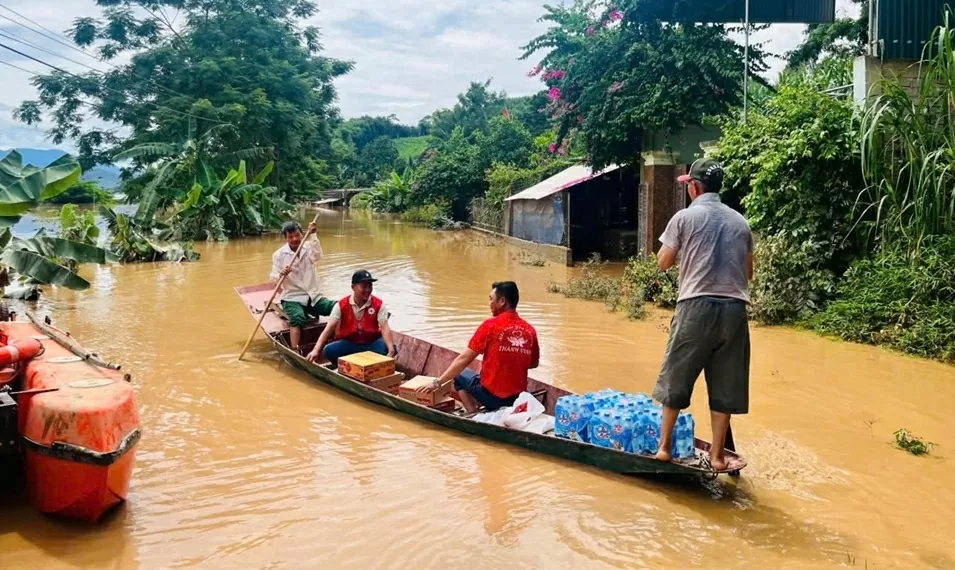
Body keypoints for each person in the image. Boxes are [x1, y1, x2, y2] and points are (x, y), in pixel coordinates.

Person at [652, 158, 754, 471]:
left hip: (696, 306)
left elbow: (664, 262)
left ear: (695, 187)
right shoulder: (741, 222)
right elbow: (749, 272)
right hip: (735, 311)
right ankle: (718, 456)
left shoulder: (685, 217)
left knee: (676, 378)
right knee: (725, 387)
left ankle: (665, 450)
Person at [416, 281, 539, 413]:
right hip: (518, 398)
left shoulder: (490, 326)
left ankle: (472, 413)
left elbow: (464, 359)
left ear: (502, 301)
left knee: (459, 376)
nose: (489, 304)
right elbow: (533, 364)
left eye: (491, 299)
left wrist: (437, 383)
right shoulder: (530, 331)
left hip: (492, 397)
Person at [305, 270, 397, 367]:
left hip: (371, 343)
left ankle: (367, 367)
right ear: (353, 287)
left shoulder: (378, 304)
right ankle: (345, 368)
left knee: (386, 349)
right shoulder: (341, 305)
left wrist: (391, 351)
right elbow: (329, 329)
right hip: (351, 343)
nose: (368, 290)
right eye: (363, 286)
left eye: (370, 286)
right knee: (328, 351)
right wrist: (315, 350)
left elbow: (384, 327)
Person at [271, 220, 334, 354]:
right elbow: (273, 278)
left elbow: (318, 256)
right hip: (293, 297)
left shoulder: (309, 247)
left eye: (297, 235)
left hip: (313, 295)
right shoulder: (279, 255)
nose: (294, 239)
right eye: (290, 236)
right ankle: (295, 350)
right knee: (298, 318)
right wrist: (281, 273)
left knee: (337, 308)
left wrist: (313, 234)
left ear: (301, 234)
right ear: (286, 238)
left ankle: (340, 339)